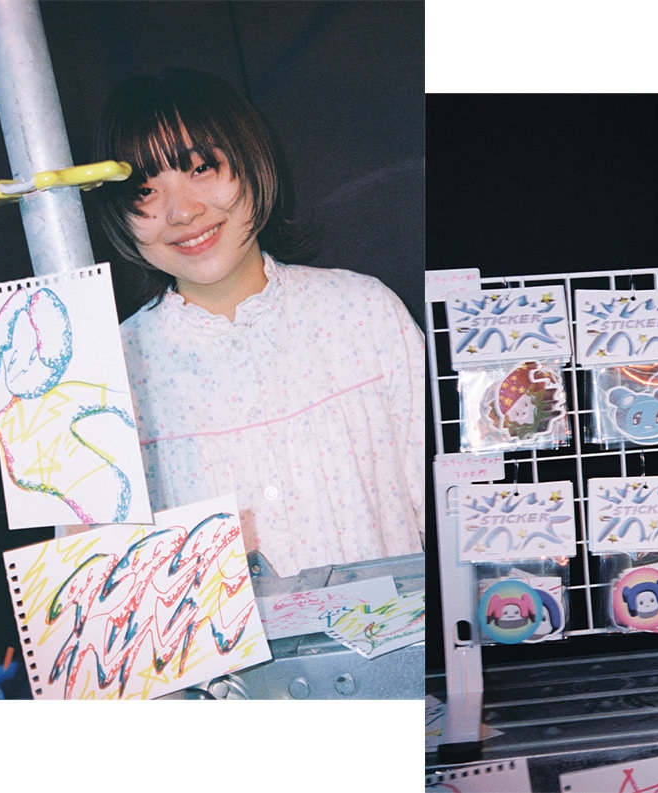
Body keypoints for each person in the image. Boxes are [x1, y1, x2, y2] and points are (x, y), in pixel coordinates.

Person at [90, 68, 424, 578]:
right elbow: (95, 587)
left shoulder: (364, 312)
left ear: (250, 162)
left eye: (201, 168)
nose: (182, 212)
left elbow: (451, 513)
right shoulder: (104, 379)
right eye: (144, 191)